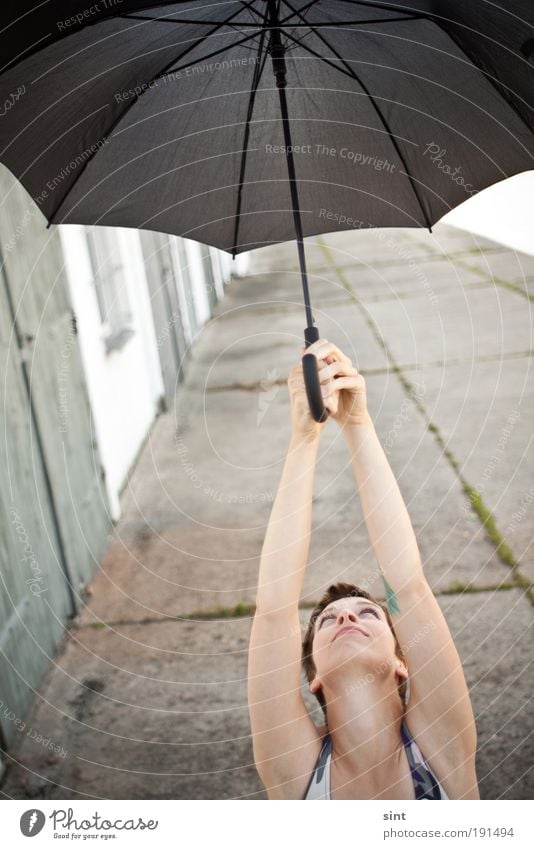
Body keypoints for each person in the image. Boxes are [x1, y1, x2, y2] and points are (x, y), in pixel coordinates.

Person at [247, 338, 480, 800]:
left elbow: (407, 585)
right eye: (329, 621)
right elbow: (274, 611)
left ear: (401, 660)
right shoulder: (296, 772)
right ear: (312, 677)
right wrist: (303, 436)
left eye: (369, 614)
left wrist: (357, 423)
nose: (347, 616)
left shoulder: (441, 747)